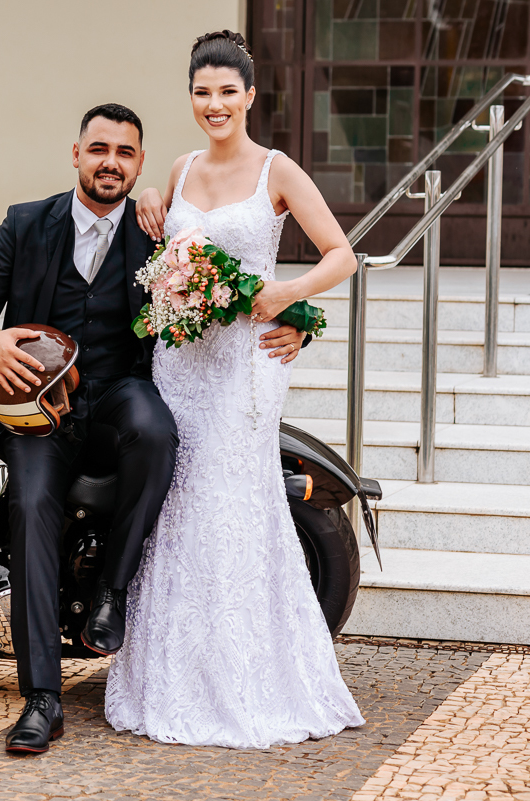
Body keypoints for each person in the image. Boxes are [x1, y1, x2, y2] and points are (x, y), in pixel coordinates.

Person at [0, 103, 309, 754]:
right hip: (39, 413)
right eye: (99, 149)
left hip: (120, 391)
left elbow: (234, 285)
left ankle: (113, 589)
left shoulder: (159, 231)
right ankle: (42, 699)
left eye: (125, 152)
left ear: (140, 163)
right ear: (77, 154)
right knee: (30, 506)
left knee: (158, 432)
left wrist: (298, 320)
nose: (110, 162)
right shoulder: (26, 223)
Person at [103, 31, 365, 749]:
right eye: (201, 92)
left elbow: (342, 253)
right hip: (178, 366)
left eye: (226, 92)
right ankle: (169, 676)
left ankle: (247, 679)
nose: (213, 104)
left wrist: (289, 298)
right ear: (190, 97)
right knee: (178, 506)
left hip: (244, 371)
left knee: (231, 505)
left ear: (250, 96)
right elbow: (158, 241)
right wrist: (153, 193)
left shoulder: (277, 170)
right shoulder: (181, 167)